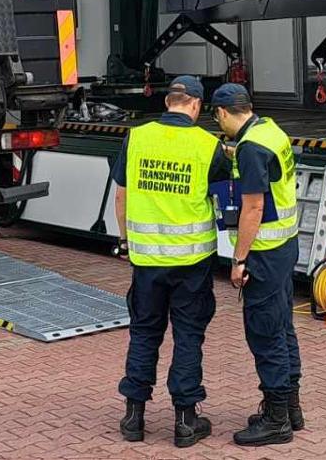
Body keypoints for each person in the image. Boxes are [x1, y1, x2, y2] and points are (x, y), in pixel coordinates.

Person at [113, 75, 230, 448]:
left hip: (146, 259)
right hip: (193, 262)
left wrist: (125, 240)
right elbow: (226, 200)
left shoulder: (137, 137)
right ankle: (185, 420)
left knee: (144, 333)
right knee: (188, 335)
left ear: (168, 103)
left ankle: (134, 417)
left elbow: (121, 194)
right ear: (195, 105)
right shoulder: (209, 146)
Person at [211, 82, 303, 447]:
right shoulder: (270, 130)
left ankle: (276, 420)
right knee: (283, 328)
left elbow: (253, 207)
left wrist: (239, 259)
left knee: (265, 334)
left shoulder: (250, 148)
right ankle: (290, 408)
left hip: (263, 254)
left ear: (221, 113)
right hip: (285, 246)